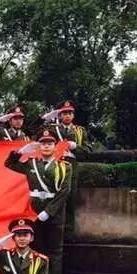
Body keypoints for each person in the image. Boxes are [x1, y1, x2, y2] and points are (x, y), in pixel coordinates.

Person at [4, 128, 71, 274]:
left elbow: (64, 191)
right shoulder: (31, 164)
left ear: (55, 146)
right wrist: (20, 152)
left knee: (55, 252)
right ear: (39, 146)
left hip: (55, 214)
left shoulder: (64, 166)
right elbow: (9, 164)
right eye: (43, 143)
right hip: (34, 213)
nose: (46, 146)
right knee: (36, 250)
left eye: (50, 143)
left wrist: (48, 212)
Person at [41, 100, 92, 234]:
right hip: (54, 166)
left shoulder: (80, 131)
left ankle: (68, 234)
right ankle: (54, 233)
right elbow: (37, 134)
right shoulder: (52, 129)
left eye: (70, 113)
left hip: (71, 167)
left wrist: (75, 147)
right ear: (60, 115)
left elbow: (88, 151)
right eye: (64, 113)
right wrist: (45, 118)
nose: (67, 116)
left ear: (73, 115)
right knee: (54, 198)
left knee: (70, 200)